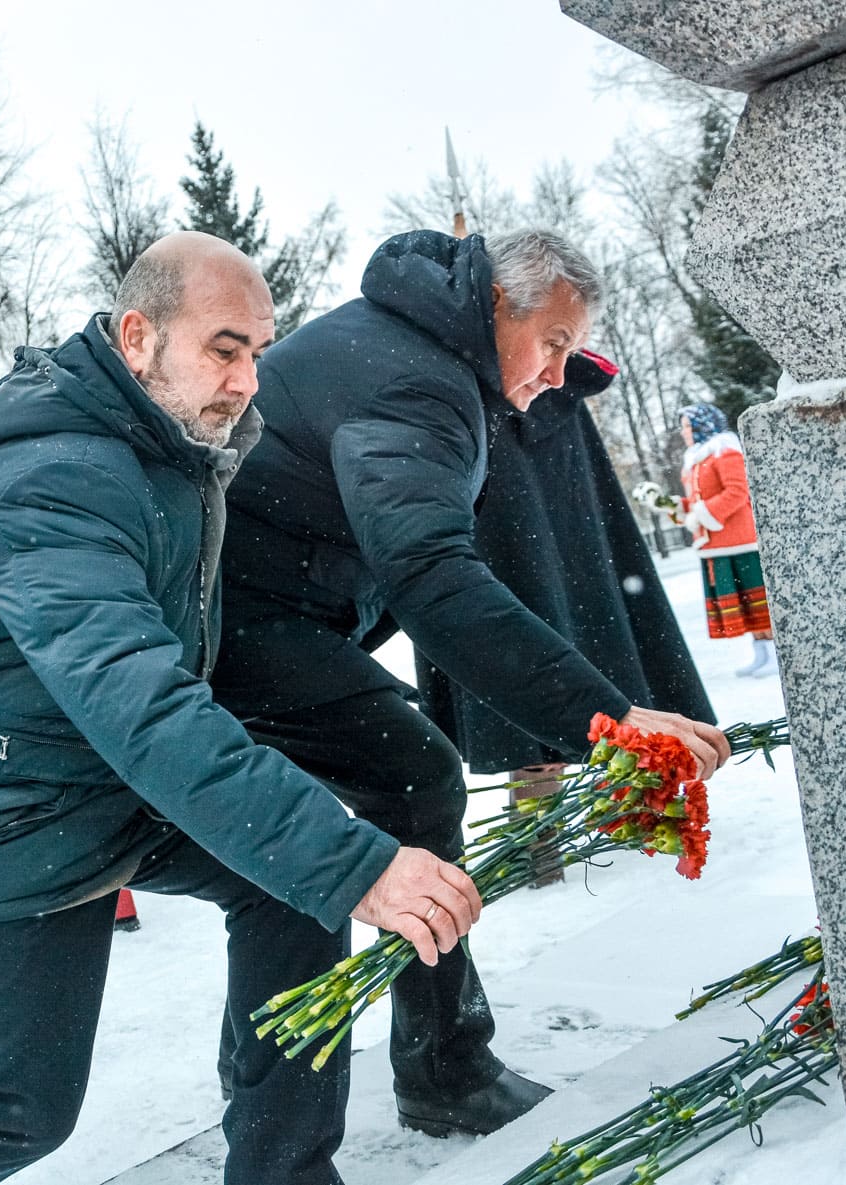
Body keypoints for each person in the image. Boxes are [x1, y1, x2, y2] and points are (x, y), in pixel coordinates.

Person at [0, 232, 476, 1185]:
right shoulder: (52, 479)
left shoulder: (165, 458)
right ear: (137, 337)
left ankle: (282, 1171)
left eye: (260, 350)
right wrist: (353, 858)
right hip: (9, 823)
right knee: (21, 1110)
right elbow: (136, 699)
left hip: (112, 792)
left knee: (287, 889)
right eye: (225, 348)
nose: (247, 379)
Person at [212, 229, 731, 1138]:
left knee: (309, 838)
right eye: (555, 345)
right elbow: (433, 576)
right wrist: (608, 718)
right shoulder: (418, 378)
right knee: (410, 774)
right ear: (497, 305)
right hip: (236, 621)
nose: (558, 373)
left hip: (252, 614)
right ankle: (440, 1066)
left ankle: (310, 1077)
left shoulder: (407, 342)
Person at [413, 349, 716, 885]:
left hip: (513, 558)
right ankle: (589, 827)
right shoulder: (548, 383)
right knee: (591, 669)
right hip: (569, 562)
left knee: (532, 697)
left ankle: (560, 837)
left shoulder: (478, 382)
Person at [675, 403, 777, 676]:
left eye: (687, 426)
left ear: (701, 426)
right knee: (745, 603)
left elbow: (737, 490)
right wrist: (678, 507)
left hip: (740, 541)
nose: (683, 432)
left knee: (757, 600)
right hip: (715, 546)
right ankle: (762, 653)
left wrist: (703, 513)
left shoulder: (724, 451)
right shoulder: (696, 459)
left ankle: (775, 655)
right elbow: (699, 500)